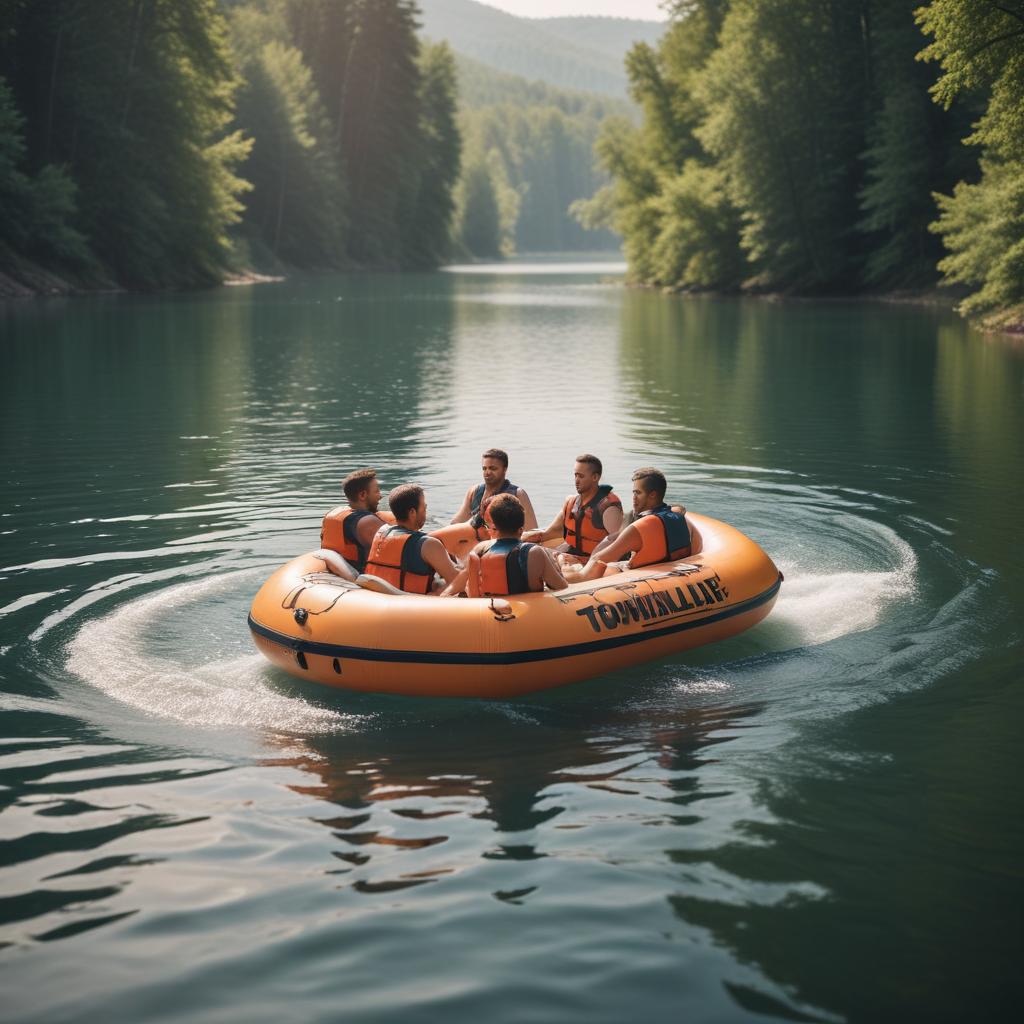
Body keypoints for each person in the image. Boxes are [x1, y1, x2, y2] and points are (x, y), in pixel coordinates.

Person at [567, 468, 692, 582]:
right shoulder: (679, 517)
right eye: (633, 493)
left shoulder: (640, 528)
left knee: (573, 567)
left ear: (653, 495)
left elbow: (598, 560)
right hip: (669, 576)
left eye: (638, 493)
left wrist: (565, 566)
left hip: (642, 582)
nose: (633, 498)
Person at [441, 494, 568, 597]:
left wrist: (445, 594)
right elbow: (562, 588)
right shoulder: (535, 553)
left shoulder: (480, 549)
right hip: (525, 619)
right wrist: (561, 563)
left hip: (486, 614)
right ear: (521, 529)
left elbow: (462, 580)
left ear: (494, 527)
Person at [522, 454, 623, 562]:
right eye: (575, 475)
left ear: (595, 477)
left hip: (592, 563)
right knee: (526, 551)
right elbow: (550, 532)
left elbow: (619, 545)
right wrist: (521, 538)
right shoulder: (571, 502)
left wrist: (588, 563)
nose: (576, 480)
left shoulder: (607, 507)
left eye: (581, 476)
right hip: (571, 555)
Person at [365, 484, 460, 594]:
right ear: (412, 513)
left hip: (382, 596)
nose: (425, 512)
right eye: (424, 508)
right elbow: (457, 582)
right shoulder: (429, 544)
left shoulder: (382, 532)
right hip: (415, 603)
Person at [450, 447, 538, 534]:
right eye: (484, 468)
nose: (487, 472)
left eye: (493, 468)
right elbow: (456, 522)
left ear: (505, 469)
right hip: (476, 542)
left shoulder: (518, 494)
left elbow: (532, 530)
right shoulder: (474, 492)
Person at [320, 468, 387, 574]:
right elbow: (396, 552)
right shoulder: (368, 522)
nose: (380, 496)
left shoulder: (334, 514)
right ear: (362, 495)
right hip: (362, 579)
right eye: (377, 491)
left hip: (338, 575)